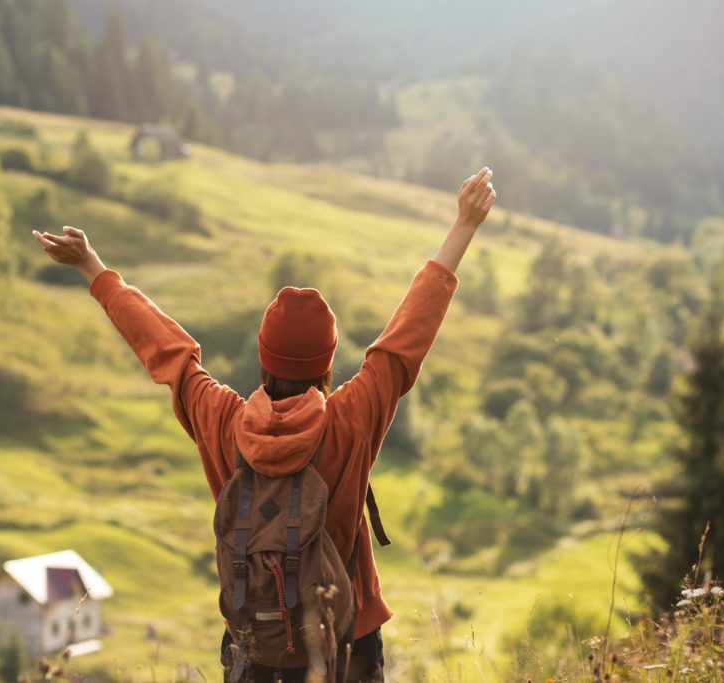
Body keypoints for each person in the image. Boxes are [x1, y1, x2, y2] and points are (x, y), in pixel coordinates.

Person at [32, 167, 496, 682]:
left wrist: (93, 268)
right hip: (347, 644)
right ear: (327, 364)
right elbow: (405, 338)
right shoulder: (351, 417)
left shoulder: (222, 420)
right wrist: (464, 225)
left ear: (262, 359)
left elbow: (168, 352)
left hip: (254, 649)